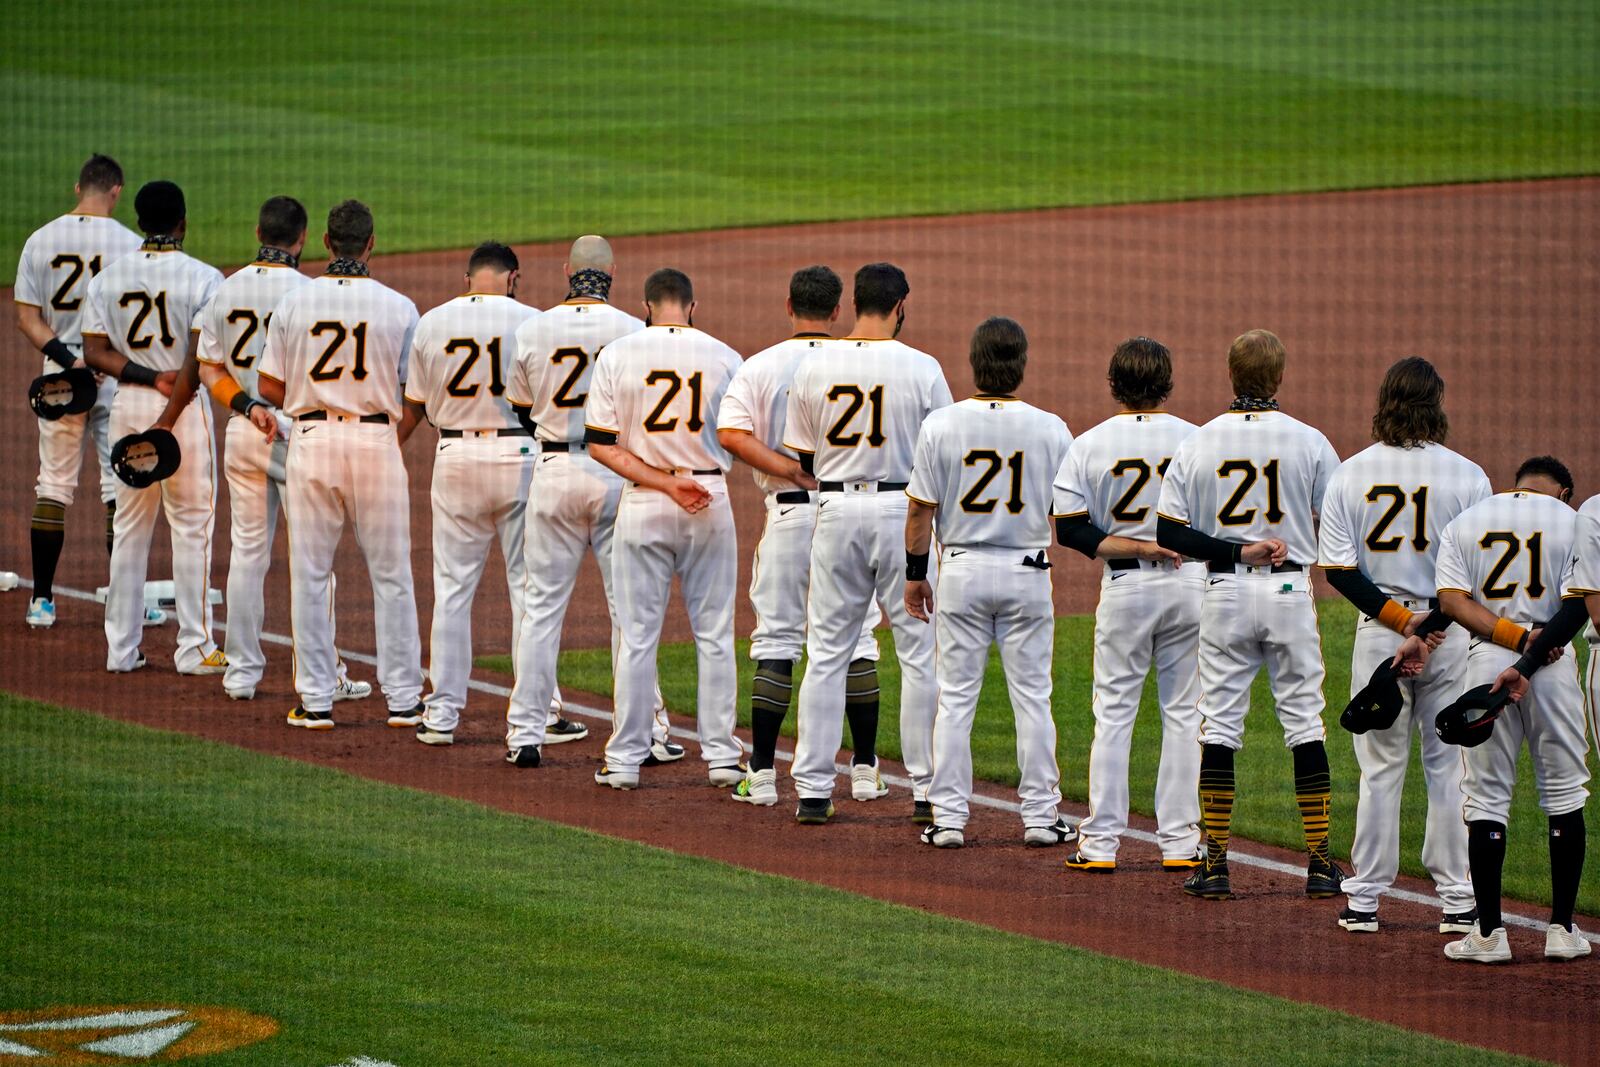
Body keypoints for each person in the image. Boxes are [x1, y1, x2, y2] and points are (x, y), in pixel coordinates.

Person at [1155, 329, 1344, 900]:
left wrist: (1236, 549)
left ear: (1231, 376)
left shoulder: (1200, 440)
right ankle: (1319, 863)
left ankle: (1213, 865)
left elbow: (1168, 531)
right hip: (1290, 593)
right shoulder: (1309, 441)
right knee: (1305, 724)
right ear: (1279, 377)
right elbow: (1335, 526)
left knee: (1219, 726)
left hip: (1225, 593)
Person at [159, 196, 371, 703]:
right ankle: (324, 672)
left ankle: (241, 673)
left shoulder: (224, 290)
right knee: (313, 558)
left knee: (247, 554)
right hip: (298, 432)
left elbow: (208, 369)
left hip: (242, 430)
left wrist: (247, 404)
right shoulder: (312, 293)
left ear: (258, 230)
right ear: (303, 240)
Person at [1316, 357, 1486, 935]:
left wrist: (1403, 623)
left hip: (1381, 635)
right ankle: (1459, 900)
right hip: (1450, 636)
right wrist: (1431, 625)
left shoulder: (1350, 472)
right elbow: (1474, 577)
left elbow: (1338, 570)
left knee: (1380, 769)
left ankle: (1364, 900)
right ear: (1436, 403)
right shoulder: (1469, 475)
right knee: (1447, 767)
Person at [499, 236, 678, 766]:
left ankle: (525, 735)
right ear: (613, 274)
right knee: (629, 613)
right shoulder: (633, 330)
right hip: (616, 476)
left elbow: (521, 410)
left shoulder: (531, 328)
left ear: (566, 272)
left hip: (552, 472)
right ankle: (643, 734)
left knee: (540, 609)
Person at [784, 263, 952, 825]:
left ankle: (811, 789)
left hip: (833, 511)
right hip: (899, 512)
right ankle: (927, 789)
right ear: (901, 304)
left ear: (852, 304)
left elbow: (804, 458)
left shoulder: (814, 364)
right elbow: (942, 463)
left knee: (828, 652)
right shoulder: (923, 367)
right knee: (918, 656)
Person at [905, 317, 1074, 848]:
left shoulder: (942, 425)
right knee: (1033, 697)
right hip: (1027, 569)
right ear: (1020, 365)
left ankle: (949, 819)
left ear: (974, 364)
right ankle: (1042, 818)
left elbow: (919, 511)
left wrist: (915, 574)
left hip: (961, 570)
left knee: (955, 699)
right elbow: (1067, 511)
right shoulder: (1051, 427)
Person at [716, 265, 880, 807]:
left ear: (789, 305)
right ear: (838, 311)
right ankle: (863, 769)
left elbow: (731, 434)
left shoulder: (760, 365)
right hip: (848, 511)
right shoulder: (864, 362)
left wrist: (786, 469)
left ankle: (761, 775)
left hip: (788, 517)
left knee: (777, 638)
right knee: (855, 638)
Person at [257, 199, 424, 730]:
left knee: (309, 573)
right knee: (393, 573)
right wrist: (385, 438)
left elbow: (268, 386)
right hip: (377, 442)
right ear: (371, 243)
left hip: (312, 440)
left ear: (326, 243)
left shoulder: (294, 301)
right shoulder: (400, 306)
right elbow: (412, 390)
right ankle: (403, 699)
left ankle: (315, 699)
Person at [584, 268, 745, 788]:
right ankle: (721, 756)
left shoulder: (618, 353)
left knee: (636, 637)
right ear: (692, 307)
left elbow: (601, 444)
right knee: (715, 634)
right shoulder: (725, 355)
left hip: (644, 501)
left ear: (647, 306)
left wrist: (663, 481)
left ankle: (626, 761)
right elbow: (740, 438)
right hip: (710, 498)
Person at [1426, 457, 1589, 963]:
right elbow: (1581, 601)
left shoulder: (1469, 520)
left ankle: (1489, 934)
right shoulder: (1576, 521)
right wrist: (1537, 648)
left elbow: (1452, 602)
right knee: (1564, 791)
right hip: (1553, 664)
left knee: (1486, 796)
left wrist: (1512, 638)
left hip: (1486, 663)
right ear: (1562, 492)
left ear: (1514, 486)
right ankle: (1562, 929)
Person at [1052, 337, 1202, 872]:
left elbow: (1070, 530)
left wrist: (1137, 545)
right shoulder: (1196, 440)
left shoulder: (1089, 443)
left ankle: (1099, 845)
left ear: (1114, 384)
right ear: (1166, 384)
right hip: (1190, 585)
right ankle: (1182, 844)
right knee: (1184, 714)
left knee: (1114, 715)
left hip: (1126, 589)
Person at [81, 180, 223, 674]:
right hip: (181, 412)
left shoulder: (108, 278)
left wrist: (146, 376)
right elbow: (198, 359)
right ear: (183, 222)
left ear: (140, 223)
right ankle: (195, 648)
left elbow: (94, 352)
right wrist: (170, 398)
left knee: (129, 530)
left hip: (127, 407)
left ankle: (120, 651)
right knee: (191, 528)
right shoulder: (205, 277)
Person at [404, 242, 539, 746]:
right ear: (513, 277)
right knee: (529, 590)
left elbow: (415, 403)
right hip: (519, 460)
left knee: (453, 591)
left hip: (455, 458)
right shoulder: (533, 321)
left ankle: (441, 716)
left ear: (467, 278)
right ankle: (537, 713)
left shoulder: (432, 321)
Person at [14, 154, 143, 629]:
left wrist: (70, 362)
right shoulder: (131, 245)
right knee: (121, 485)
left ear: (77, 188)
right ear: (116, 191)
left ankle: (42, 601)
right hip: (113, 374)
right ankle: (124, 603)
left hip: (61, 374)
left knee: (53, 485)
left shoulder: (41, 239)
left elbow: (27, 318)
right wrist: (102, 361)